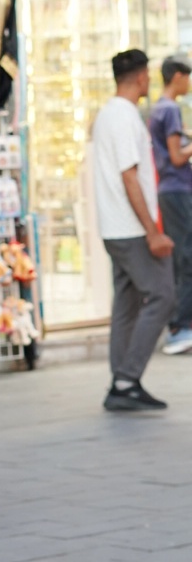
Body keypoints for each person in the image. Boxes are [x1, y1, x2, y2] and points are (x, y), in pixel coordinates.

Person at [92, 48, 175, 412]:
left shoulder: (107, 114)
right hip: (131, 229)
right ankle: (126, 378)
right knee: (162, 295)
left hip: (115, 227)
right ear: (141, 77)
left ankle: (122, 383)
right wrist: (152, 231)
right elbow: (130, 176)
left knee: (126, 304)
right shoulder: (124, 117)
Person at [149, 54, 192, 356]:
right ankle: (180, 327)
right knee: (186, 258)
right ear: (177, 76)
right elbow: (177, 157)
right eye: (187, 76)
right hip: (177, 189)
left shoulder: (158, 109)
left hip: (170, 190)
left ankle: (180, 325)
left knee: (182, 257)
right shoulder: (170, 109)